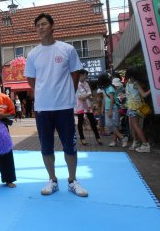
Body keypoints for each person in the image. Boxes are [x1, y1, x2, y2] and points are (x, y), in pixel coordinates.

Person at [24, 13, 88, 197]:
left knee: (70, 145)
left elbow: (75, 73)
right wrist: (43, 92)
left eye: (44, 24)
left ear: (52, 26)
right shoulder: (33, 54)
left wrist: (68, 92)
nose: (40, 28)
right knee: (46, 146)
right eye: (37, 26)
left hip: (64, 106)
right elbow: (30, 78)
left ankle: (72, 180)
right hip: (43, 108)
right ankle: (52, 180)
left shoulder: (67, 49)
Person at [125, 67, 151, 153]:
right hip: (133, 107)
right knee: (134, 126)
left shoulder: (132, 83)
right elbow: (142, 95)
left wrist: (152, 89)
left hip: (133, 107)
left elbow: (143, 95)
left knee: (135, 126)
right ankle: (137, 143)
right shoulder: (132, 83)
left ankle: (145, 144)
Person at [97, 73, 128, 148]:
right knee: (110, 125)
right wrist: (102, 108)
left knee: (113, 125)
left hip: (113, 108)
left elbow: (112, 99)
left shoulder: (110, 88)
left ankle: (117, 140)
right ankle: (122, 138)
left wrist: (110, 110)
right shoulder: (105, 88)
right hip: (108, 109)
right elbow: (104, 99)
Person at [75, 69, 102, 145]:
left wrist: (87, 96)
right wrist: (87, 95)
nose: (86, 77)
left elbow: (89, 94)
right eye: (85, 75)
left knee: (93, 121)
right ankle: (82, 138)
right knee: (80, 122)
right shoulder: (76, 84)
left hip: (88, 105)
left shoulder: (86, 84)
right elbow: (81, 97)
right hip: (80, 106)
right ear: (81, 75)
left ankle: (98, 137)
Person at [112, 77, 129, 147]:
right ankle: (118, 140)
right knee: (119, 125)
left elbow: (121, 101)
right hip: (123, 110)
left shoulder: (120, 90)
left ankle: (123, 139)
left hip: (122, 110)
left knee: (119, 125)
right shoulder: (122, 89)